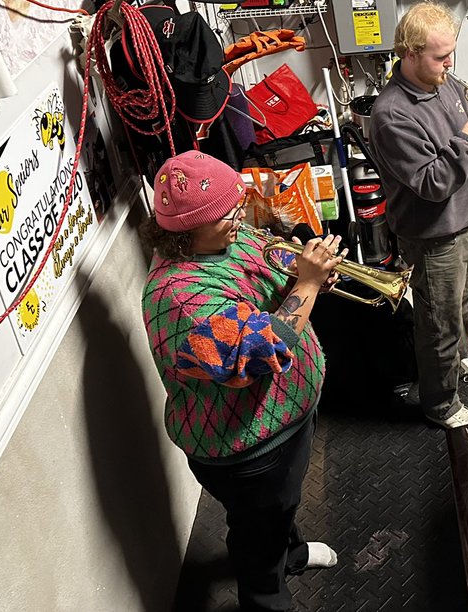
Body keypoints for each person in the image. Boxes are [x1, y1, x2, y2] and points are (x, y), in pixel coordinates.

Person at [140, 150, 342, 611]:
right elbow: (255, 354)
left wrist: (302, 277)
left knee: (280, 512)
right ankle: (265, 599)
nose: (239, 216)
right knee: (257, 536)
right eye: (227, 213)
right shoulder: (179, 298)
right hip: (247, 450)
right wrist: (306, 287)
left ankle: (290, 552)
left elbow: (270, 279)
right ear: (188, 227)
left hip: (285, 422)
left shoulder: (228, 238)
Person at [369, 0, 468, 428]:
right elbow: (433, 184)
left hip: (467, 224)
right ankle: (440, 404)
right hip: (435, 238)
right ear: (409, 54)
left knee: (463, 315)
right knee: (440, 326)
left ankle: (458, 378)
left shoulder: (444, 84)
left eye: (452, 53)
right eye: (439, 56)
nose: (450, 64)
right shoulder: (392, 115)